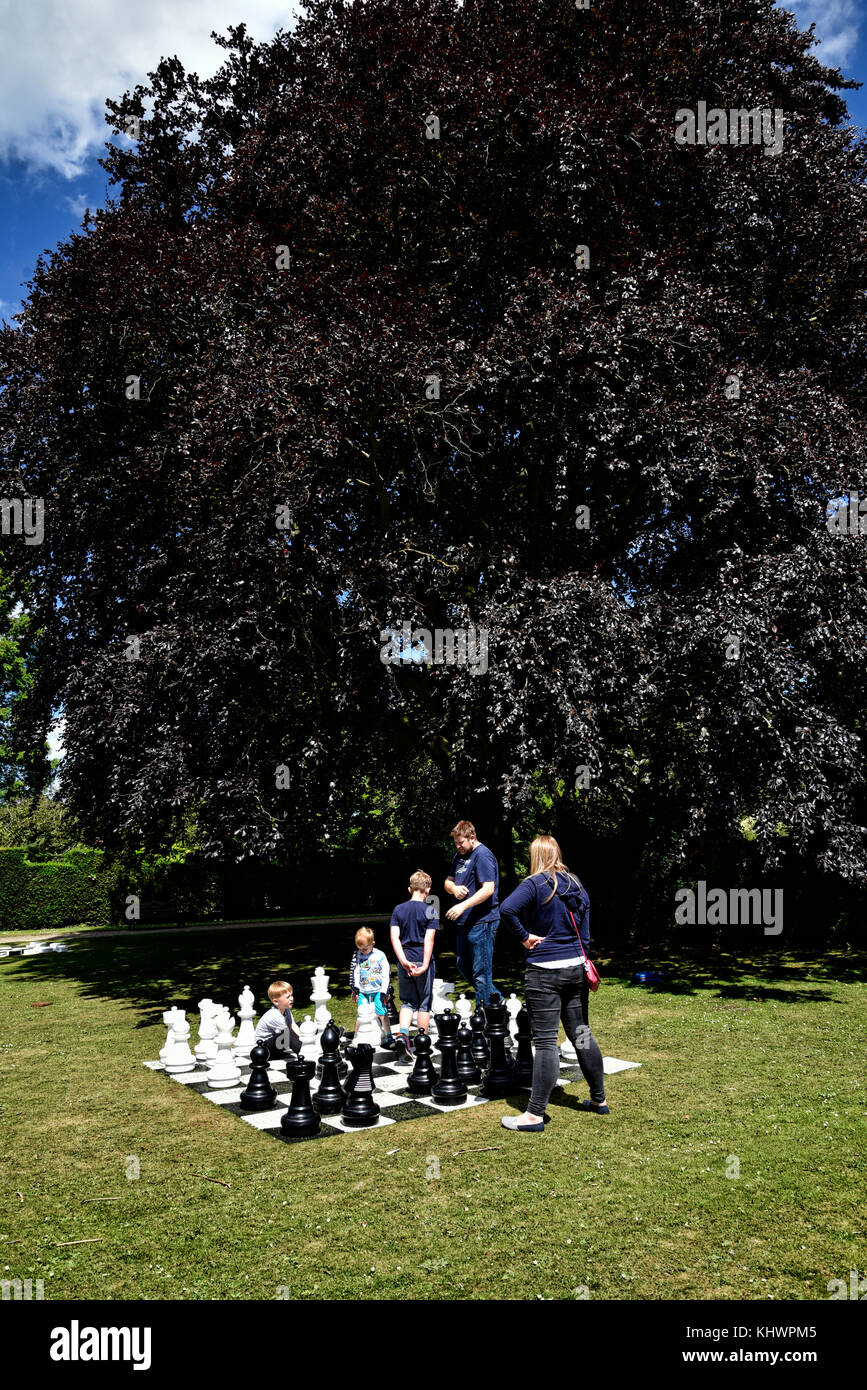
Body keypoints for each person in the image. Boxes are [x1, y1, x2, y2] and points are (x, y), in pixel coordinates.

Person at [498, 835, 607, 1132]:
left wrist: (523, 936)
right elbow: (585, 929)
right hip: (574, 969)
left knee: (545, 1042)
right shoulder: (575, 883)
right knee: (581, 1032)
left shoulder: (534, 883)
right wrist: (579, 954)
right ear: (556, 853)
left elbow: (506, 909)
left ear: (536, 856)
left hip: (544, 971)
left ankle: (534, 1114)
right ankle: (599, 1100)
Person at [444, 819, 501, 1007]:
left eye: (461, 842)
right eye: (456, 843)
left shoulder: (482, 855)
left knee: (481, 973)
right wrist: (453, 888)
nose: (458, 846)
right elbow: (447, 881)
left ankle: (484, 1018)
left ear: (472, 837)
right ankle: (497, 1002)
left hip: (482, 922)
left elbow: (488, 889)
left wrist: (463, 906)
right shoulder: (459, 856)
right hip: (464, 923)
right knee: (463, 966)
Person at [389, 869, 440, 1061]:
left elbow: (395, 938)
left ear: (410, 889)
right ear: (427, 889)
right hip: (422, 959)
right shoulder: (430, 910)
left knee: (408, 1001)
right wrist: (425, 964)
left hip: (405, 960)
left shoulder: (399, 909)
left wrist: (403, 961)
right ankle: (421, 1041)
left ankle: (402, 1034)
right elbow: (429, 940)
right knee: (424, 1004)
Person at [348, 927, 393, 1048]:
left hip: (378, 991)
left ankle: (389, 1035)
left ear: (372, 944)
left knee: (382, 1012)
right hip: (363, 992)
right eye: (360, 949)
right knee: (361, 1014)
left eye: (365, 949)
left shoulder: (380, 955)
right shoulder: (358, 955)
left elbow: (386, 974)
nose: (362, 951)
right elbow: (356, 972)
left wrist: (384, 991)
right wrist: (355, 988)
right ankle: (356, 1037)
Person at [254, 979, 302, 1058]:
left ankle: (306, 1045)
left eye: (291, 995)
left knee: (301, 1025)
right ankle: (302, 1050)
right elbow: (288, 1034)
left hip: (277, 1044)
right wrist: (302, 1046)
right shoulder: (274, 1016)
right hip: (263, 1050)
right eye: (288, 997)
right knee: (287, 1032)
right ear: (276, 1001)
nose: (291, 998)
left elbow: (293, 1025)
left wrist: (304, 1038)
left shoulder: (286, 1010)